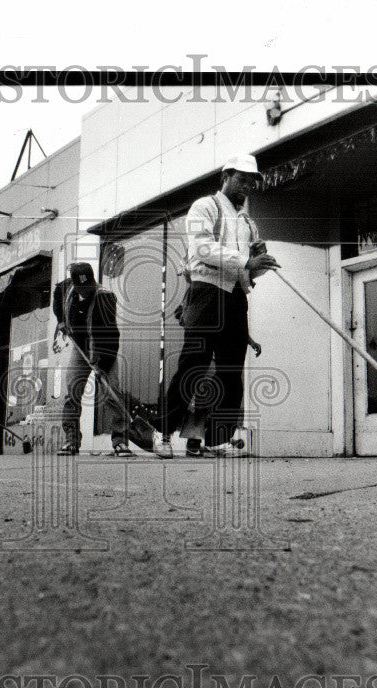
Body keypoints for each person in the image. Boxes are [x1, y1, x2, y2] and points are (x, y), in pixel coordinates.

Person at [155, 154, 279, 459]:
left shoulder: (247, 222)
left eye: (252, 181)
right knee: (193, 365)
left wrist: (261, 263)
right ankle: (163, 433)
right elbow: (202, 248)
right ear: (226, 176)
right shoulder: (205, 206)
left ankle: (215, 439)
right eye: (243, 178)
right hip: (206, 292)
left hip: (236, 295)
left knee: (231, 371)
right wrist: (246, 260)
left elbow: (249, 269)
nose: (247, 185)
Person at [52, 262, 130, 456]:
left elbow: (112, 335)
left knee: (112, 391)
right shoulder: (65, 288)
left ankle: (120, 441)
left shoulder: (105, 298)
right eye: (83, 288)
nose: (87, 290)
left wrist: (102, 363)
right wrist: (61, 320)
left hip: (103, 349)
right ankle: (71, 441)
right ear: (75, 285)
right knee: (73, 392)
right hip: (80, 348)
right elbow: (56, 298)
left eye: (90, 286)